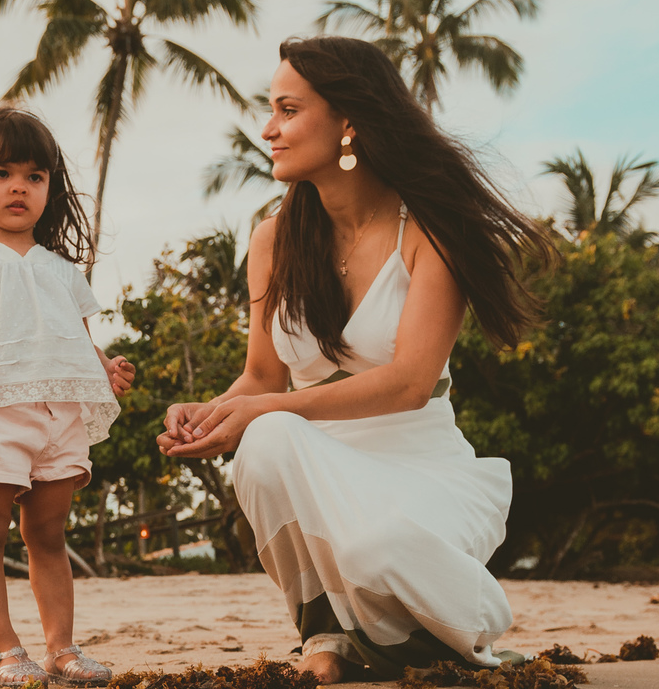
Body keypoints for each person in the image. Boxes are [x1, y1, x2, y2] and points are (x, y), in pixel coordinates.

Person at [156, 37, 554, 683]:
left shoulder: (428, 230)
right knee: (266, 441)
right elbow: (262, 378)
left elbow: (408, 382)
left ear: (349, 120)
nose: (268, 129)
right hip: (318, 464)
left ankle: (457, 623)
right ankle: (324, 631)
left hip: (420, 468)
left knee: (378, 549)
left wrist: (267, 407)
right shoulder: (273, 240)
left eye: (287, 109)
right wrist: (209, 415)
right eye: (271, 110)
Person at [0, 107, 136, 688]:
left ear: (48, 189)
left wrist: (106, 366)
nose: (18, 187)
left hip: (59, 413)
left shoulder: (63, 270)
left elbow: (78, 339)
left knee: (49, 532)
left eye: (34, 177)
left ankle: (61, 647)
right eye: (2, 172)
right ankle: (5, 650)